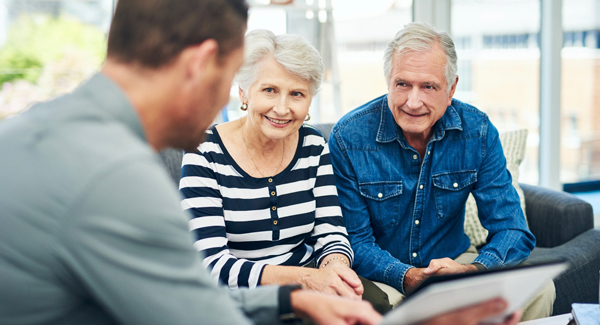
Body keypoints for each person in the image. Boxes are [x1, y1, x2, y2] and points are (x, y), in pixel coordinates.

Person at [0, 0, 522, 322]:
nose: (234, 103)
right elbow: (199, 306)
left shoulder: (32, 131)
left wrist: (290, 301)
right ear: (202, 63)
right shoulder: (121, 177)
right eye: (240, 83)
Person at [328, 22, 555, 321]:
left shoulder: (478, 132)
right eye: (402, 84)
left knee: (541, 289)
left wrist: (472, 272)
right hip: (384, 274)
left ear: (451, 89)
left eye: (428, 87)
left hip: (456, 262)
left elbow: (512, 229)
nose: (413, 101)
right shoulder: (348, 137)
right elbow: (355, 241)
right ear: (388, 82)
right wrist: (407, 275)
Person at [179, 29, 391, 314]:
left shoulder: (313, 144)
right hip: (241, 294)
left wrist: (334, 269)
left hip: (311, 275)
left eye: (296, 94)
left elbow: (332, 232)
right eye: (269, 90)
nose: (282, 108)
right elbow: (211, 263)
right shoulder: (203, 151)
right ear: (243, 91)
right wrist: (305, 279)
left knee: (373, 304)